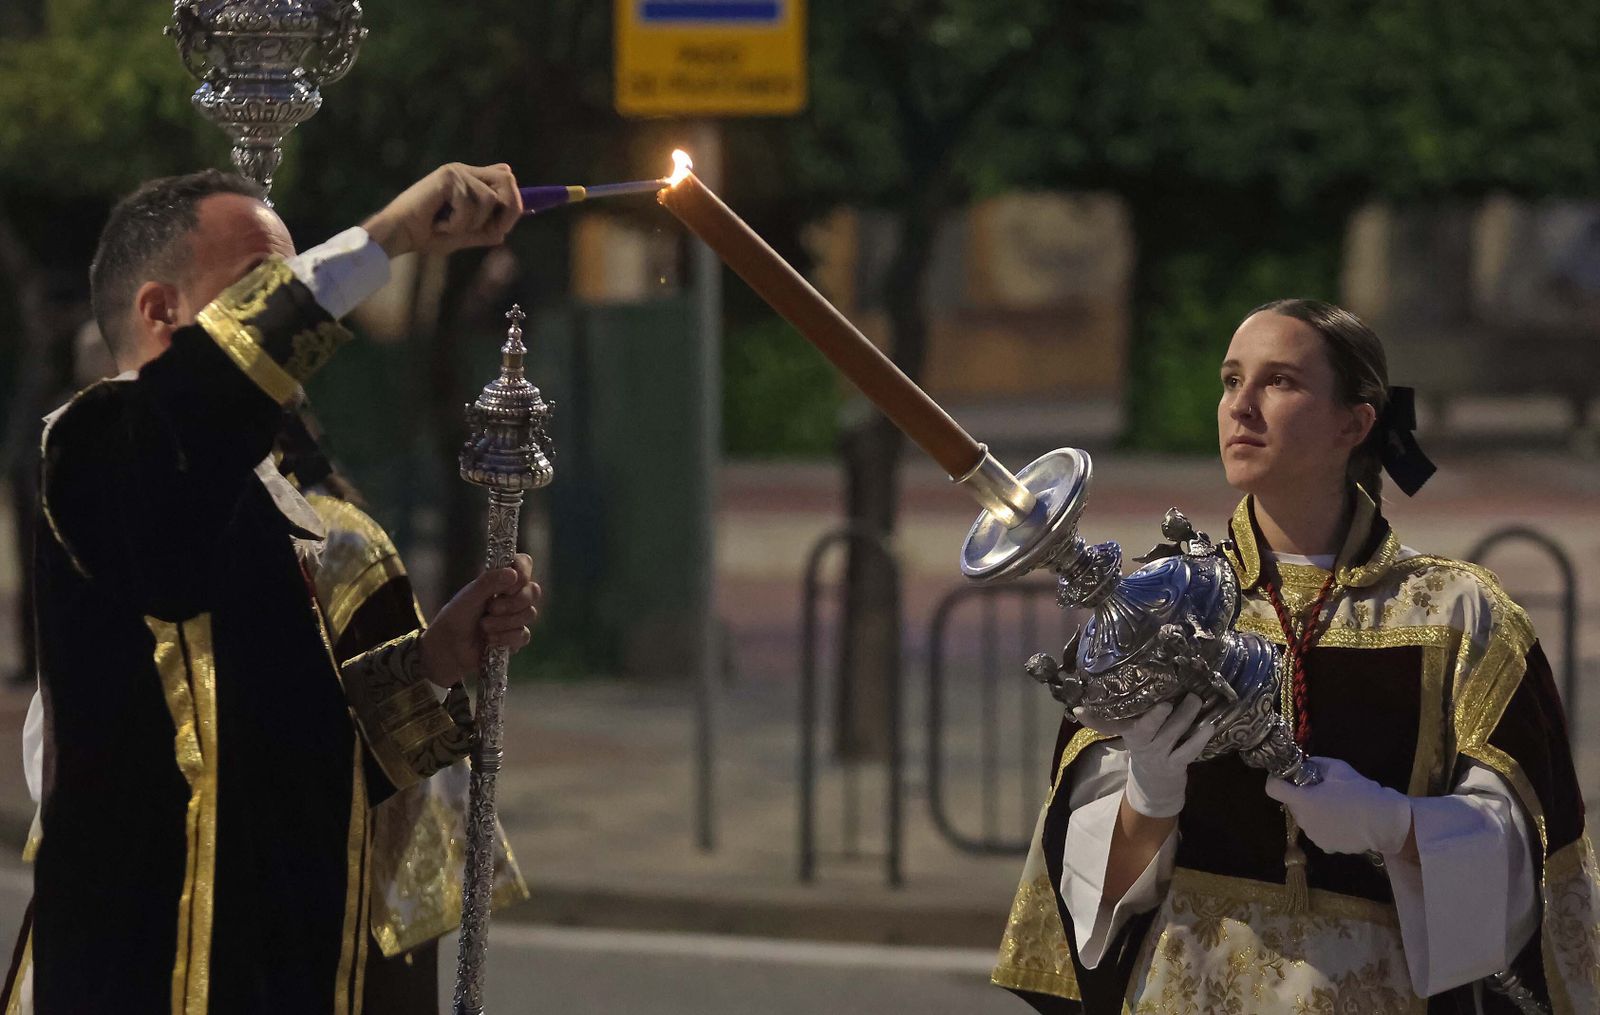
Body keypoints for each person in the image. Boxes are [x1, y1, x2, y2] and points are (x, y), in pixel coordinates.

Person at [3, 162, 541, 1014]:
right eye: (264, 285)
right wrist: (388, 237)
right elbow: (193, 434)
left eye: (292, 285)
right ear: (159, 311)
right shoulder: (94, 450)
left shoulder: (273, 503)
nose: (301, 312)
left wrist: (434, 658)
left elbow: (294, 760)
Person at [992, 300, 1600, 1013]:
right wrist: (1148, 797)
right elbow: (1083, 889)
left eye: (1279, 382)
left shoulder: (1457, 613)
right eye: (1229, 380)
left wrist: (1393, 824)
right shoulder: (1159, 606)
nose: (1240, 406)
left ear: (1355, 423)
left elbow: (1530, 859)